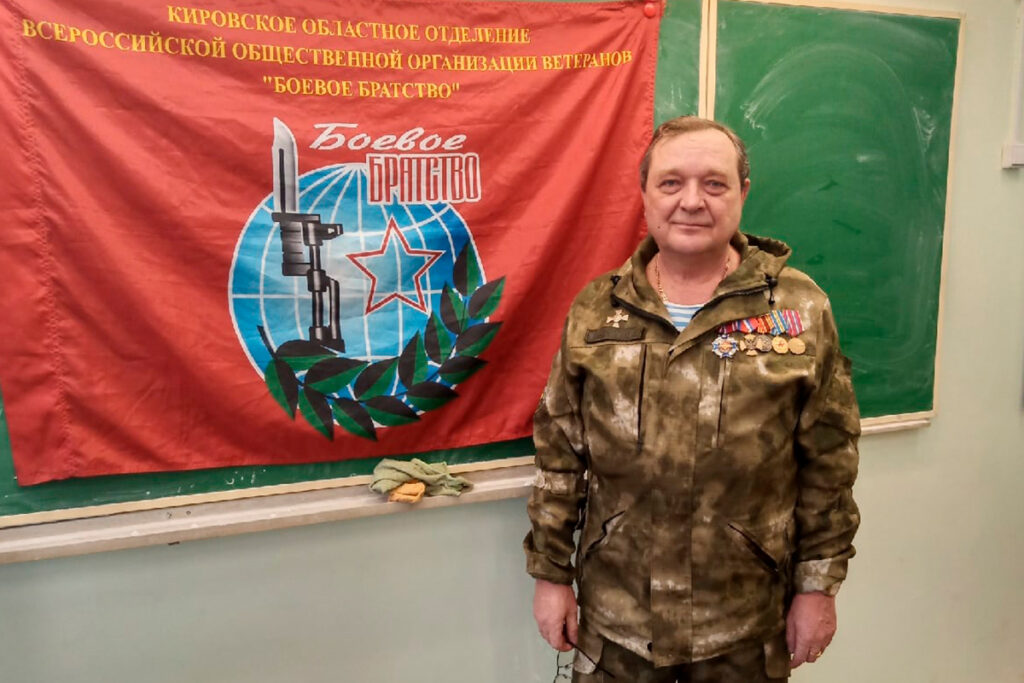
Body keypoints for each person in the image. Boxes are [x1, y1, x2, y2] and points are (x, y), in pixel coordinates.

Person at [523, 116, 860, 682]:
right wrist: (551, 576)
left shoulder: (800, 309)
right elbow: (559, 455)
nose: (692, 201)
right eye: (671, 183)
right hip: (618, 624)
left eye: (715, 183)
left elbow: (830, 463)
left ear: (743, 192)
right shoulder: (596, 310)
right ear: (645, 193)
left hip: (744, 624)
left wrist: (818, 589)